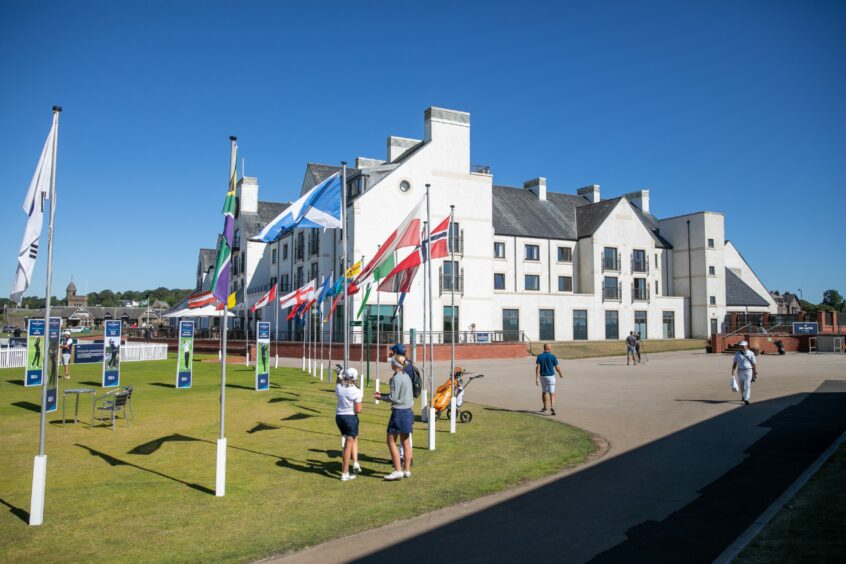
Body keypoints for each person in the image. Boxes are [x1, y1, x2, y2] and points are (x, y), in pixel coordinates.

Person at [374, 356, 414, 480]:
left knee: (390, 440)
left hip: (399, 413)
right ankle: (406, 470)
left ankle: (398, 470)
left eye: (392, 363)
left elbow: (394, 398)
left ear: (396, 365)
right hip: (408, 411)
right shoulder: (407, 376)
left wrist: (381, 397)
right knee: (406, 441)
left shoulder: (396, 378)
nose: (390, 365)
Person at [336, 367, 363, 481]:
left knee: (352, 439)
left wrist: (339, 375)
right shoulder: (357, 391)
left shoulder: (339, 387)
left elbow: (338, 382)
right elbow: (358, 409)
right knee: (348, 445)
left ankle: (355, 462)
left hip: (339, 417)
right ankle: (345, 473)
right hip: (350, 418)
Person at [535, 343, 564, 415]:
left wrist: (537, 378)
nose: (551, 349)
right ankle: (552, 406)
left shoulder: (540, 356)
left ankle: (545, 408)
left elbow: (537, 368)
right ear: (548, 348)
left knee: (544, 392)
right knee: (552, 392)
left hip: (543, 377)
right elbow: (557, 367)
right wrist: (560, 373)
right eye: (551, 347)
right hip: (551, 377)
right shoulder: (552, 357)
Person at [731, 340, 758, 406]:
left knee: (747, 385)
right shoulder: (737, 353)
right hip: (740, 371)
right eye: (741, 346)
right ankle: (743, 395)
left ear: (746, 346)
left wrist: (755, 372)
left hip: (748, 371)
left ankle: (746, 398)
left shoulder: (751, 353)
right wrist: (733, 371)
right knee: (741, 385)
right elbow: (735, 362)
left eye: (743, 346)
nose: (742, 347)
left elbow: (754, 363)